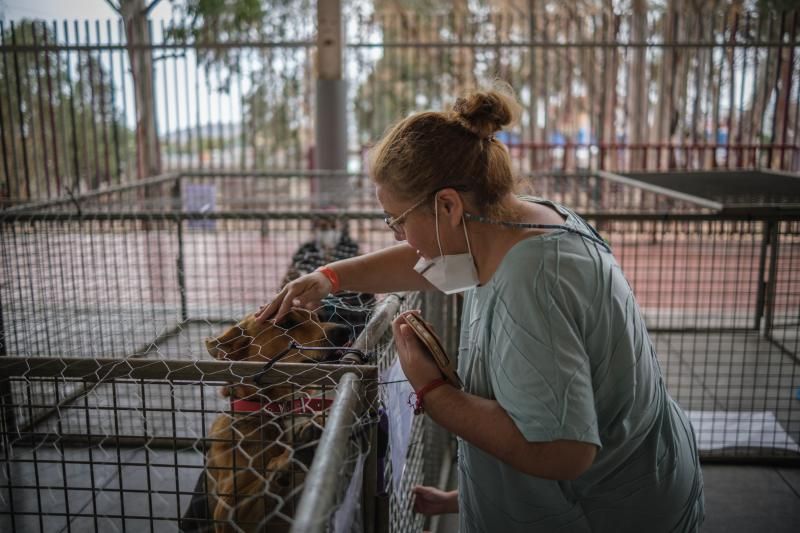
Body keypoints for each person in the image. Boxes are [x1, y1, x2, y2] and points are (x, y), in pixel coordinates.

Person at [256, 83, 704, 532]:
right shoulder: (526, 220)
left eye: (398, 221)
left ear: (447, 204)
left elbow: (564, 451)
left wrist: (433, 391)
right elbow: (426, 260)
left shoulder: (531, 282)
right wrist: (331, 277)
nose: (400, 237)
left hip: (607, 512)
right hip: (648, 471)